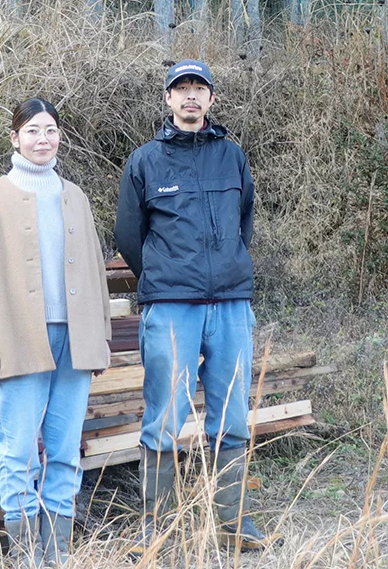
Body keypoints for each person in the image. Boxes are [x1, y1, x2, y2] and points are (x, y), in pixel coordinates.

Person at [114, 60, 281, 553]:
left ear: (211, 99)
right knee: (164, 414)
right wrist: (164, 277)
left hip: (230, 304)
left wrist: (225, 266)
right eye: (181, 88)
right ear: (168, 99)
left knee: (230, 414)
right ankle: (157, 526)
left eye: (199, 89)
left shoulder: (233, 156)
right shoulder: (145, 161)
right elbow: (128, 234)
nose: (190, 96)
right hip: (170, 307)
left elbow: (243, 221)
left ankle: (230, 524)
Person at [0, 97, 113, 567]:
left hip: (76, 339)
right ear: (15, 138)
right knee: (20, 455)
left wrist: (101, 337)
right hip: (16, 339)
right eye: (32, 131)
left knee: (65, 453)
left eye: (49, 130)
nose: (42, 139)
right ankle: (27, 557)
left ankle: (58, 555)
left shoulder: (75, 196)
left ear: (59, 137)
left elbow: (93, 270)